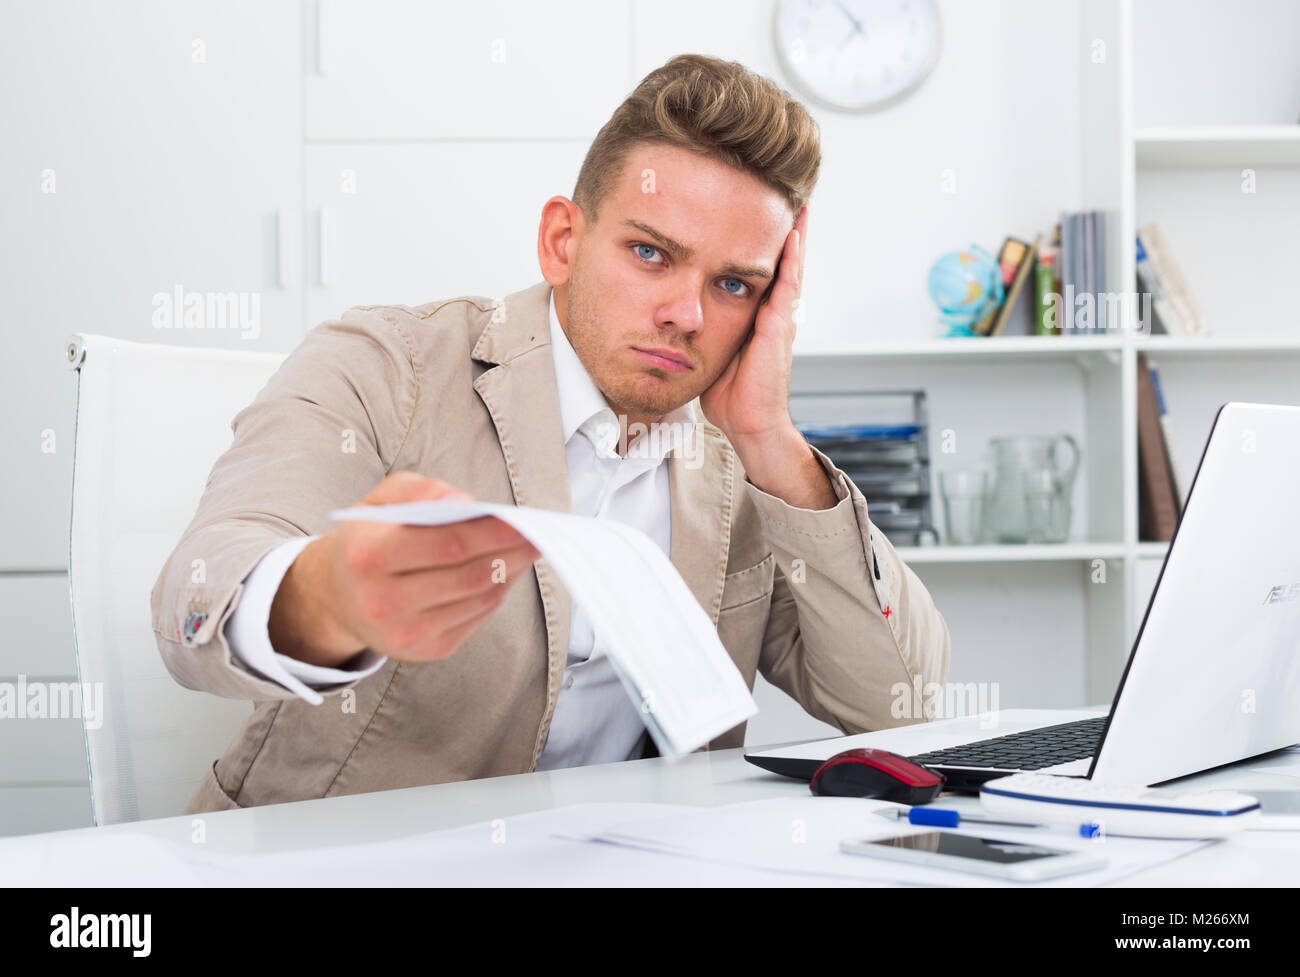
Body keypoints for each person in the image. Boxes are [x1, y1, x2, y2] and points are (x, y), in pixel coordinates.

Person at [151, 53, 951, 813]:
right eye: (650, 253)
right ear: (562, 242)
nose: (688, 314)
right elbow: (193, 603)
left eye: (734, 283)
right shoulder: (390, 367)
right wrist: (329, 596)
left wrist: (772, 440)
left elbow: (903, 706)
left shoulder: (743, 462)